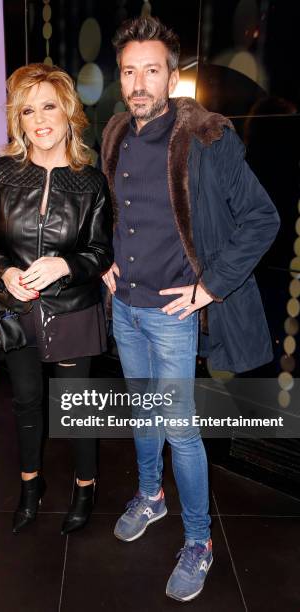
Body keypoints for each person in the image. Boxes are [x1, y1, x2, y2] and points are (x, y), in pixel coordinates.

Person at [101, 16, 280, 602]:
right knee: (143, 413)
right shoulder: (115, 134)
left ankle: (199, 540)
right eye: (129, 71)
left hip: (173, 316)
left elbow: (262, 218)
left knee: (180, 430)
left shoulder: (207, 136)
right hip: (124, 307)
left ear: (172, 77)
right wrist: (107, 259)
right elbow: (118, 210)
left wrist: (210, 289)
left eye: (152, 70)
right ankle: (151, 497)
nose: (139, 83)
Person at [0, 63, 113, 536]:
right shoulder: (2, 173)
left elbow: (99, 251)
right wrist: (5, 271)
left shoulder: (90, 182)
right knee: (27, 402)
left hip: (72, 311)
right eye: (28, 110)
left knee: (77, 406)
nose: (39, 119)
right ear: (18, 119)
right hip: (17, 310)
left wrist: (65, 265)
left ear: (68, 111)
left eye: (49, 105)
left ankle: (85, 487)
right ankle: (31, 487)